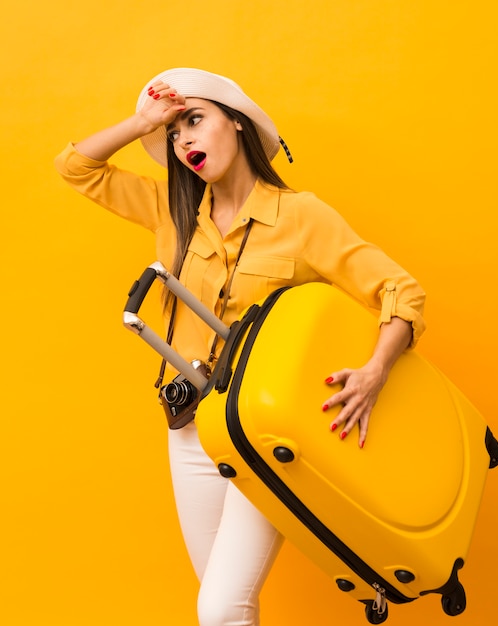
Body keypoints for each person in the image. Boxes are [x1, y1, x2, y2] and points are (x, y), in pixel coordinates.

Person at [55, 68, 425, 626]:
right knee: (225, 606)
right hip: (189, 429)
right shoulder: (172, 213)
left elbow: (402, 292)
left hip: (264, 433)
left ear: (237, 121)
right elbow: (76, 168)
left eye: (195, 120)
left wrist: (374, 370)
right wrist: (143, 123)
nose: (183, 141)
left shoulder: (300, 216)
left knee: (221, 607)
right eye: (174, 134)